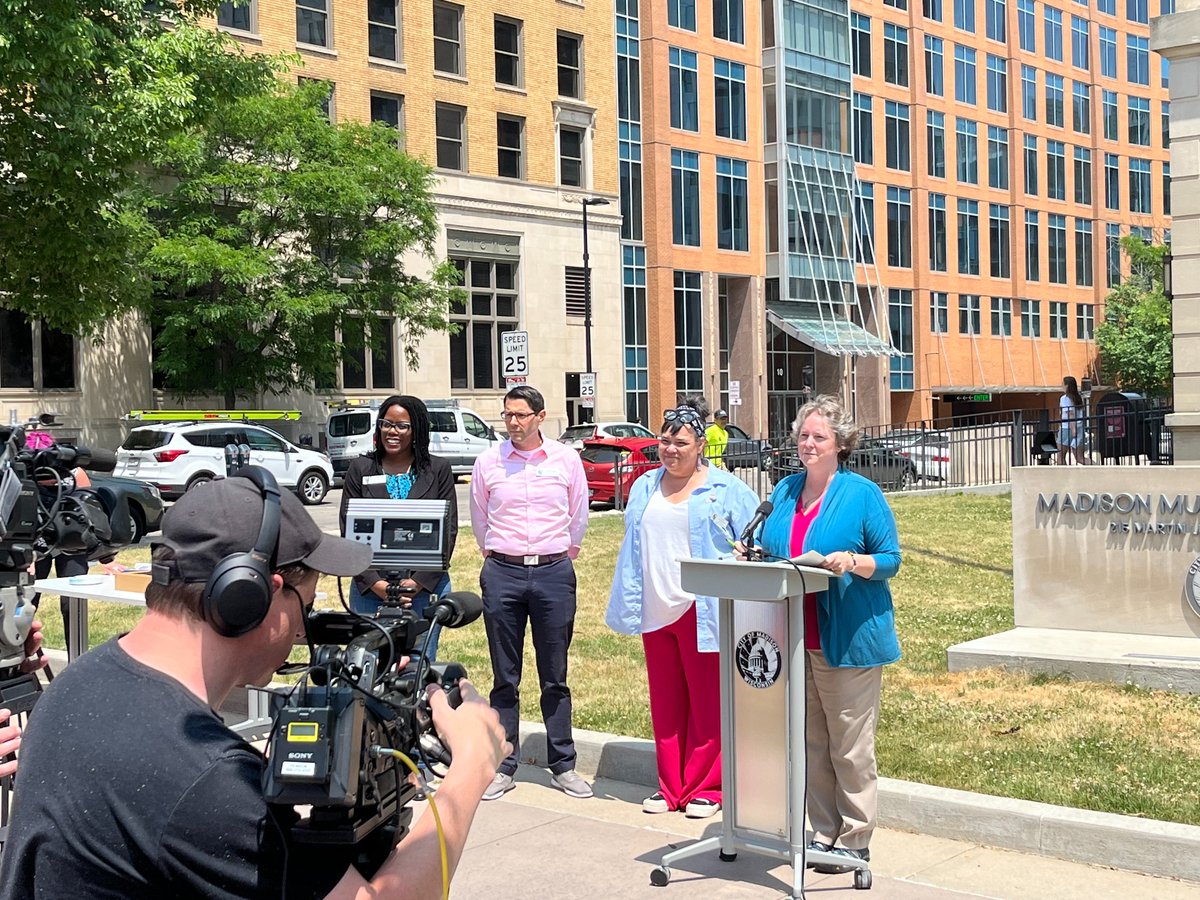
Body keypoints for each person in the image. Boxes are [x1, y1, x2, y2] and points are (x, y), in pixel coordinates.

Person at [0, 473, 508, 900]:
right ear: (256, 598)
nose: (304, 629)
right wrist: (471, 768)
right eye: (306, 606)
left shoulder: (78, 684)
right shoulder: (205, 781)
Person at [756, 395, 902, 876]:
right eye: (803, 435)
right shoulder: (784, 490)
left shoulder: (862, 494)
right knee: (811, 742)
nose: (809, 444)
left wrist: (853, 561)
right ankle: (823, 833)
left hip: (848, 638)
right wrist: (749, 555)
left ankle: (856, 840)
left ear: (840, 442)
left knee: (849, 746)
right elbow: (768, 546)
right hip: (794, 638)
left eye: (819, 436)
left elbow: (891, 560)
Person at [605, 398, 758, 818]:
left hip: (701, 606)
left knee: (708, 702)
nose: (670, 450)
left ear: (700, 446)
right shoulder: (644, 485)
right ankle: (671, 787)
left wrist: (745, 553)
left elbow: (757, 534)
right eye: (665, 441)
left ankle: (708, 787)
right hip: (653, 604)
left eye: (681, 443)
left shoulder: (725, 489)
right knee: (666, 702)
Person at [469, 384, 592, 801]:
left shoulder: (565, 459)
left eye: (521, 415)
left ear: (540, 417)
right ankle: (505, 765)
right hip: (502, 572)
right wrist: (498, 553)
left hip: (553, 572)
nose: (513, 422)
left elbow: (578, 513)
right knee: (505, 675)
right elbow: (480, 518)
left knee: (554, 675)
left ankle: (563, 765)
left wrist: (561, 552)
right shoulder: (489, 462)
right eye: (507, 415)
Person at [338, 395, 457, 660]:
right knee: (369, 664)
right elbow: (349, 532)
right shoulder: (360, 469)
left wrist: (416, 583)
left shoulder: (438, 469)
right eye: (386, 424)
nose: (392, 431)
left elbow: (448, 532)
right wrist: (377, 584)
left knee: (417, 665)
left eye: (402, 426)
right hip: (370, 589)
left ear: (417, 430)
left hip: (423, 589)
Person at [1058, 376, 1089, 466]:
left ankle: (1063, 473)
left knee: (1061, 456)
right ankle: (1097, 468)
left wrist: (1073, 429)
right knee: (1080, 458)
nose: (1061, 385)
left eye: (1063, 384)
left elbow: (1070, 414)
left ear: (1067, 385)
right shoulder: (1078, 398)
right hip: (1079, 427)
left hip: (1067, 428)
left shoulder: (1064, 398)